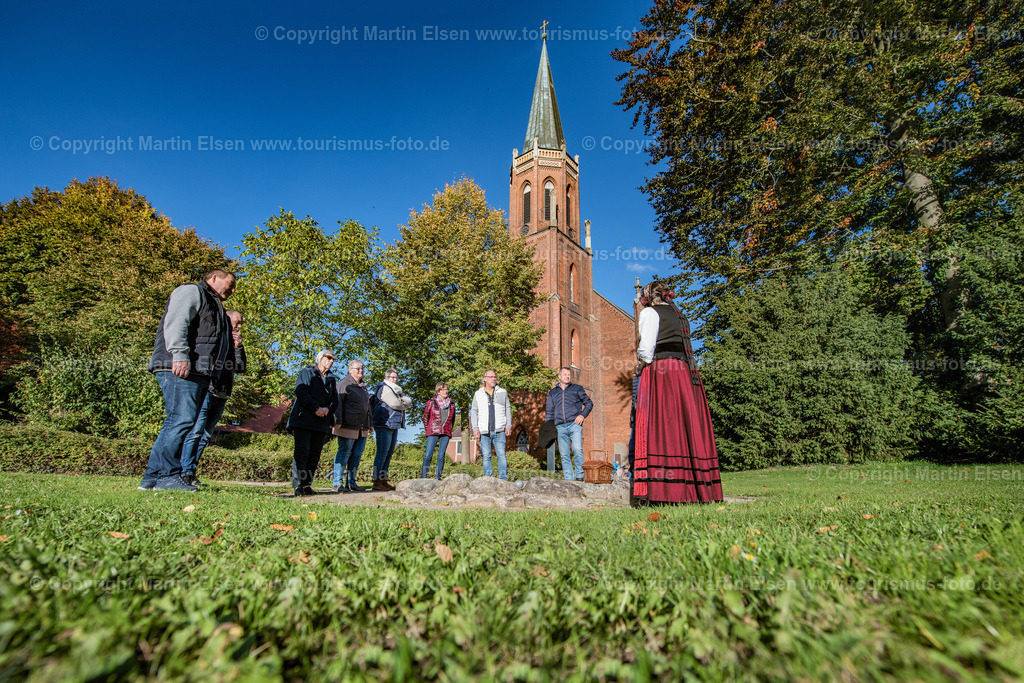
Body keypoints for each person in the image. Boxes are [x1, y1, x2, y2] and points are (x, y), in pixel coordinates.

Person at [139, 269, 236, 491]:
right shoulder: (192, 291)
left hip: (199, 372)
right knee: (180, 420)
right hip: (180, 367)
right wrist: (180, 355)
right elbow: (176, 322)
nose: (231, 290)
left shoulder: (216, 306)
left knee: (181, 421)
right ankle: (167, 476)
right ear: (214, 278)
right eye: (229, 284)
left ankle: (152, 478)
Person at [633, 279, 723, 505]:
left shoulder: (650, 314)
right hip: (684, 372)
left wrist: (640, 365)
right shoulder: (680, 316)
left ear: (650, 298)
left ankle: (667, 492)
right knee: (686, 424)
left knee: (663, 423)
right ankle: (696, 490)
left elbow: (646, 350)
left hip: (663, 372)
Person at [179, 309, 246, 486]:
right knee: (195, 432)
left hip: (222, 394)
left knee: (205, 436)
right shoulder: (216, 337)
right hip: (207, 391)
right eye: (237, 322)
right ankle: (183, 472)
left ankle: (190, 472)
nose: (239, 327)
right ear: (226, 319)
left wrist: (237, 348)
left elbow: (240, 368)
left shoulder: (234, 344)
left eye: (241, 324)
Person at [287, 350, 338, 496]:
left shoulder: (331, 379)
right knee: (302, 452)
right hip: (304, 419)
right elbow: (301, 392)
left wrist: (327, 409)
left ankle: (307, 484)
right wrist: (315, 407)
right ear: (320, 358)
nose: (331, 360)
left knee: (315, 454)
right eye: (329, 357)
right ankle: (298, 486)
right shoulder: (307, 372)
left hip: (321, 422)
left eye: (333, 359)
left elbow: (335, 400)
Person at [332, 359, 374, 493]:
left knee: (356, 455)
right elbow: (337, 403)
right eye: (358, 369)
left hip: (362, 427)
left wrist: (370, 423)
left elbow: (367, 408)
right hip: (347, 425)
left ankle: (351, 482)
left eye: (362, 368)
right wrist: (337, 420)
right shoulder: (344, 384)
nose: (361, 371)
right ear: (350, 370)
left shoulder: (363, 387)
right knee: (344, 453)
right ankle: (337, 483)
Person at [545, 367, 594, 481]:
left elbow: (589, 403)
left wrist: (582, 415)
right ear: (559, 377)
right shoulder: (553, 393)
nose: (567, 376)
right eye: (565, 374)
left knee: (577, 449)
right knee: (565, 455)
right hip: (560, 427)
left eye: (569, 375)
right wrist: (549, 427)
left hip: (574, 425)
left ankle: (580, 476)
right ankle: (569, 480)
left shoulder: (577, 389)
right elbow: (549, 411)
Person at [371, 368, 411, 491]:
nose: (395, 379)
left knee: (389, 452)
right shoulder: (385, 388)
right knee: (382, 451)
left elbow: (409, 401)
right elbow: (395, 404)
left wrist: (402, 401)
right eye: (393, 377)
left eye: (396, 377)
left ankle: (383, 479)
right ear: (387, 378)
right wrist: (402, 403)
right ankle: (376, 480)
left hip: (393, 424)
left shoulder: (396, 391)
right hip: (384, 423)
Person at [470, 369, 513, 480]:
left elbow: (508, 408)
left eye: (494, 377)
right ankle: (488, 479)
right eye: (491, 377)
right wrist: (475, 428)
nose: (493, 379)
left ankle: (503, 480)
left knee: (502, 456)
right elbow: (474, 411)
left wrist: (508, 425)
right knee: (486, 457)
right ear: (485, 379)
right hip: (484, 431)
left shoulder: (502, 392)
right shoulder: (478, 394)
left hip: (499, 430)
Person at [421, 382, 457, 479]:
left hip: (445, 432)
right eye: (442, 389)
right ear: (438, 391)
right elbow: (425, 417)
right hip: (433, 431)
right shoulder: (431, 402)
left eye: (446, 389)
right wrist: (428, 429)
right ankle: (423, 477)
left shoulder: (452, 404)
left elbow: (452, 420)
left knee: (441, 455)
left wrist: (449, 430)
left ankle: (438, 477)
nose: (445, 391)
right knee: (428, 454)